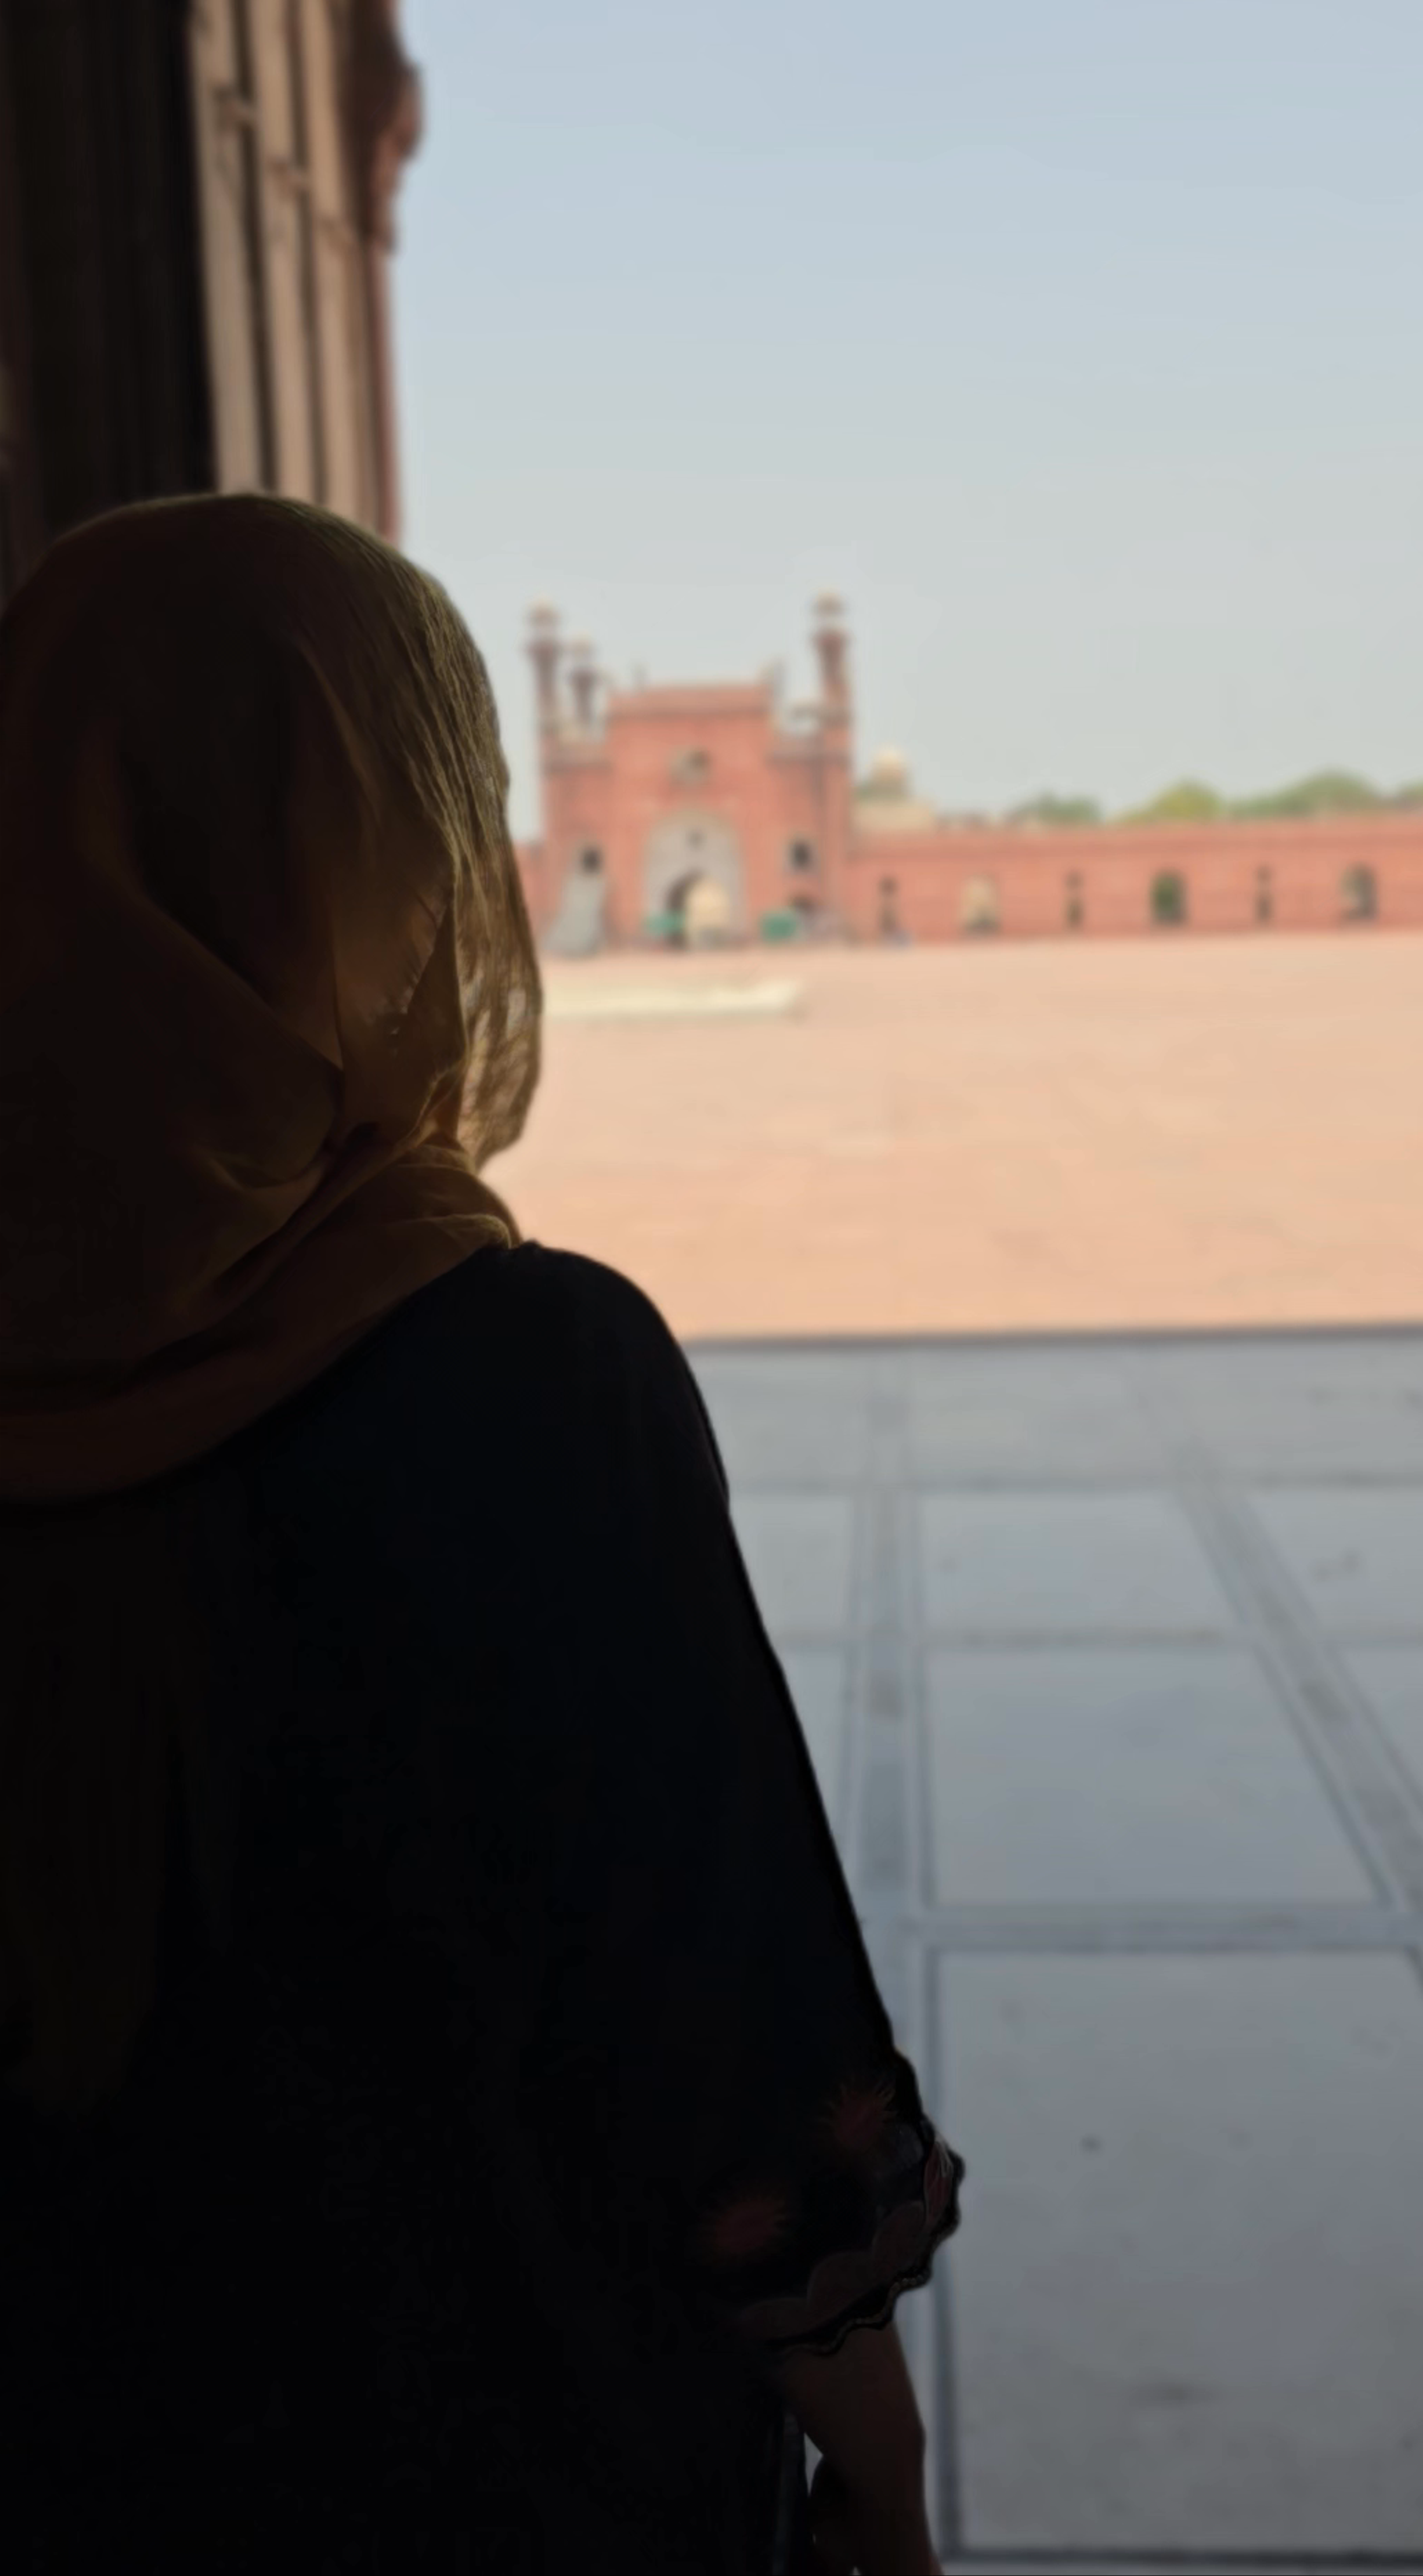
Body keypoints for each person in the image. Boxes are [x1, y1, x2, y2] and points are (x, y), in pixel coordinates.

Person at [0, 497, 963, 2573]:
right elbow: (729, 2045)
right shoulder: (528, 1386)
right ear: (402, 872)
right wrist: (880, 2477)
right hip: (506, 2482)